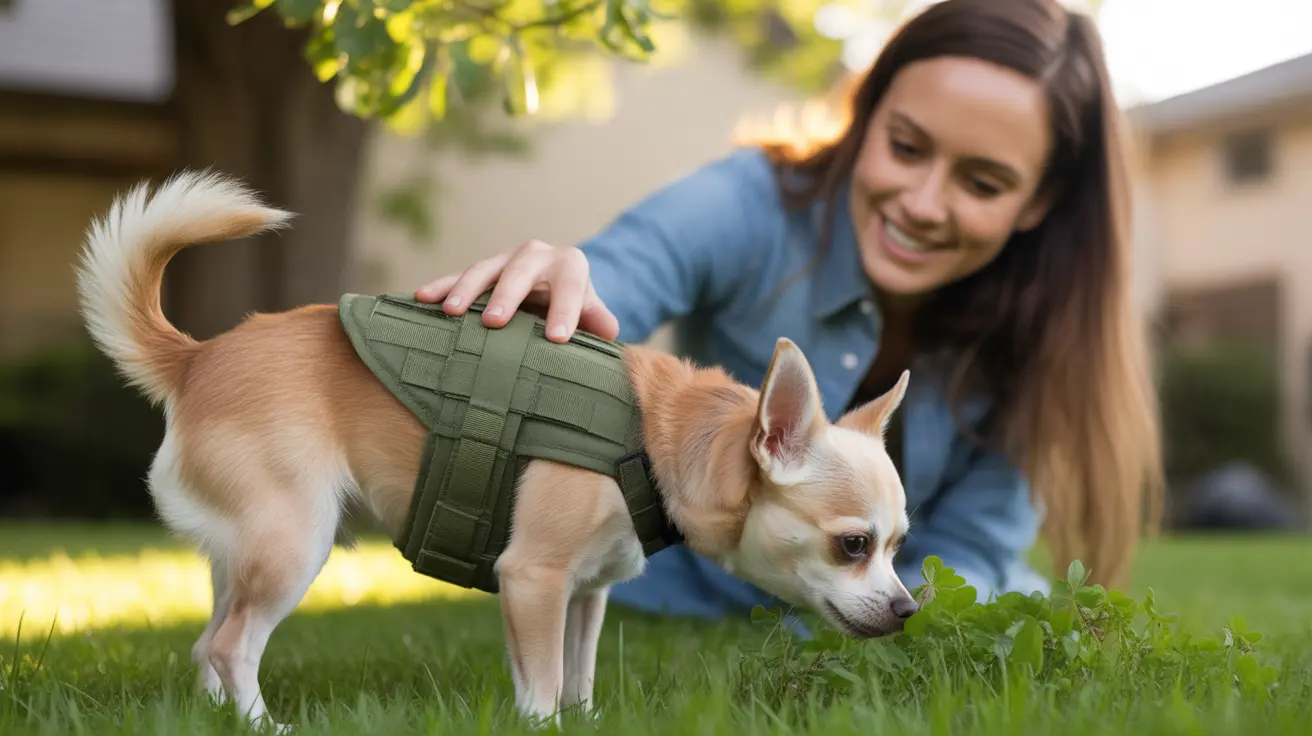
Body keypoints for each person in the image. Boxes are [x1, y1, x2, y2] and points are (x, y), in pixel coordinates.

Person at [412, 0, 1164, 623]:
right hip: (679, 602)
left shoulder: (1045, 330)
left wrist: (894, 624)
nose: (924, 204)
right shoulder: (745, 205)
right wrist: (564, 280)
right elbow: (617, 283)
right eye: (905, 147)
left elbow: (972, 560)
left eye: (983, 183)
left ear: (1038, 202)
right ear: (866, 117)